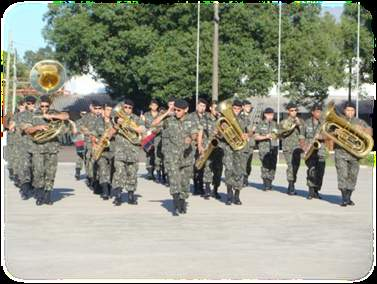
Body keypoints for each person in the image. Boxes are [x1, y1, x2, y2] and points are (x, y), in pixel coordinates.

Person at [152, 99, 199, 216]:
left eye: (179, 110)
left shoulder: (191, 120)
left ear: (186, 110)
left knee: (184, 181)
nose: (176, 112)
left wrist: (191, 138)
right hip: (171, 156)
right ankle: (176, 202)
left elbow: (195, 133)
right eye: (175, 110)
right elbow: (154, 124)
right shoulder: (169, 120)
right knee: (174, 179)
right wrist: (167, 113)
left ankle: (182, 201)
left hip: (186, 156)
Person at [24, 95, 69, 205]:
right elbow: (27, 130)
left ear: (49, 105)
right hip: (38, 148)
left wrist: (51, 115)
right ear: (39, 104)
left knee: (51, 173)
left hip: (52, 148)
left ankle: (47, 195)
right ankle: (39, 195)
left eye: (46, 106)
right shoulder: (33, 115)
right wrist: (38, 128)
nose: (44, 108)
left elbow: (66, 116)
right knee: (38, 172)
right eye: (42, 106)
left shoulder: (54, 112)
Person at [334, 101, 373, 206]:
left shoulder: (360, 122)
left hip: (355, 154)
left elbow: (370, 131)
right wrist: (335, 132)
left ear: (354, 111)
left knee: (353, 176)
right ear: (344, 111)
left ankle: (348, 197)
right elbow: (327, 131)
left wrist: (363, 130)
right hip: (340, 153)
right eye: (348, 110)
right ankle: (343, 198)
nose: (350, 112)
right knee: (343, 175)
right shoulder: (339, 121)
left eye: (352, 110)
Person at [111, 99, 145, 206]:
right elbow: (112, 129)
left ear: (132, 109)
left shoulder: (136, 119)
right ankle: (118, 196)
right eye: (125, 107)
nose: (127, 109)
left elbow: (143, 129)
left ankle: (131, 196)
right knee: (119, 172)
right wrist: (117, 123)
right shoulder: (116, 117)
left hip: (133, 150)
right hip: (120, 151)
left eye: (129, 108)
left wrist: (139, 129)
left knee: (132, 174)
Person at [220, 99, 250, 205]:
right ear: (231, 108)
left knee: (239, 171)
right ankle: (229, 194)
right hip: (228, 147)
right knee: (229, 170)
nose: (236, 110)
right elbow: (220, 132)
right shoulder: (224, 118)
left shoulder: (245, 119)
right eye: (234, 108)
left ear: (241, 108)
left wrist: (247, 135)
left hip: (240, 148)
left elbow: (250, 132)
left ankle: (237, 195)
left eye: (238, 108)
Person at [196, 100, 223, 199]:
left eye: (218, 108)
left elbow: (224, 135)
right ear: (210, 108)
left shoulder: (221, 119)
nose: (216, 110)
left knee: (218, 170)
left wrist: (219, 132)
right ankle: (207, 190)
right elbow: (200, 132)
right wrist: (199, 145)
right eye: (215, 108)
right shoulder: (205, 118)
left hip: (219, 147)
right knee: (207, 168)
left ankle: (215, 190)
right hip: (207, 146)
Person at [279, 102, 305, 195]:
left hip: (297, 148)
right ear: (288, 111)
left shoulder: (301, 121)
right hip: (288, 147)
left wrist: (299, 125)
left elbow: (304, 133)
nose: (294, 112)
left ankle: (292, 183)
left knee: (296, 166)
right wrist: (291, 126)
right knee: (290, 166)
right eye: (292, 110)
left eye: (295, 110)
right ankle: (291, 186)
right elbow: (281, 133)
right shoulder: (284, 122)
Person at [302, 104, 326, 199]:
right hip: (310, 151)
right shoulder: (306, 123)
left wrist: (320, 137)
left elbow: (329, 136)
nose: (319, 113)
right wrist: (303, 146)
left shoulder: (324, 123)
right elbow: (301, 136)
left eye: (320, 111)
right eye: (317, 111)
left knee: (320, 172)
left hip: (321, 151)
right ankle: (311, 191)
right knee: (311, 171)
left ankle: (316, 191)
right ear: (312, 112)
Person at [93, 102, 116, 200]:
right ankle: (105, 190)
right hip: (102, 149)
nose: (109, 112)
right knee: (102, 168)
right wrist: (95, 141)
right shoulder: (98, 121)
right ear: (103, 110)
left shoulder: (115, 121)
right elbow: (93, 135)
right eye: (107, 110)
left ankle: (110, 187)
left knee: (112, 170)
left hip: (113, 149)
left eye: (111, 110)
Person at [17, 95, 38, 200]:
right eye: (28, 103)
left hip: (38, 146)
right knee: (25, 167)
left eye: (32, 103)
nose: (30, 105)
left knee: (35, 168)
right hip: (24, 146)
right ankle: (24, 190)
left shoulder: (39, 114)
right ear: (25, 104)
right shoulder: (21, 115)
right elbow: (25, 128)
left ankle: (33, 187)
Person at [254, 107, 279, 191]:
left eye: (272, 115)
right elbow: (256, 137)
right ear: (265, 115)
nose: (270, 116)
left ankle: (270, 181)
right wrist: (266, 136)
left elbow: (279, 134)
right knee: (265, 165)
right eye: (269, 115)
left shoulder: (275, 124)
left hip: (274, 147)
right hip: (264, 148)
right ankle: (265, 183)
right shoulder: (260, 124)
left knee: (273, 165)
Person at [189, 98, 207, 196]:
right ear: (197, 106)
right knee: (196, 166)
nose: (202, 108)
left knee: (203, 167)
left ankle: (202, 186)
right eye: (200, 106)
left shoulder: (207, 117)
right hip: (194, 145)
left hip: (205, 145)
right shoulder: (191, 116)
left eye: (204, 106)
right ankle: (196, 186)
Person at [142, 99, 160, 181]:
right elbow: (143, 125)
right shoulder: (146, 114)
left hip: (158, 136)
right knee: (149, 153)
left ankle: (159, 171)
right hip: (148, 136)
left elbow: (162, 125)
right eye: (152, 105)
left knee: (157, 154)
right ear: (150, 106)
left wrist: (158, 130)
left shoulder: (160, 115)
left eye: (155, 105)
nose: (154, 107)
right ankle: (150, 172)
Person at [240, 100, 256, 186]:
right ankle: (242, 178)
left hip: (251, 143)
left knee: (249, 163)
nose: (248, 108)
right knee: (243, 161)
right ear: (243, 107)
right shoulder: (240, 117)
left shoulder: (252, 117)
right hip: (243, 142)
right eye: (247, 106)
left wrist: (254, 129)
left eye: (249, 107)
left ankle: (246, 176)